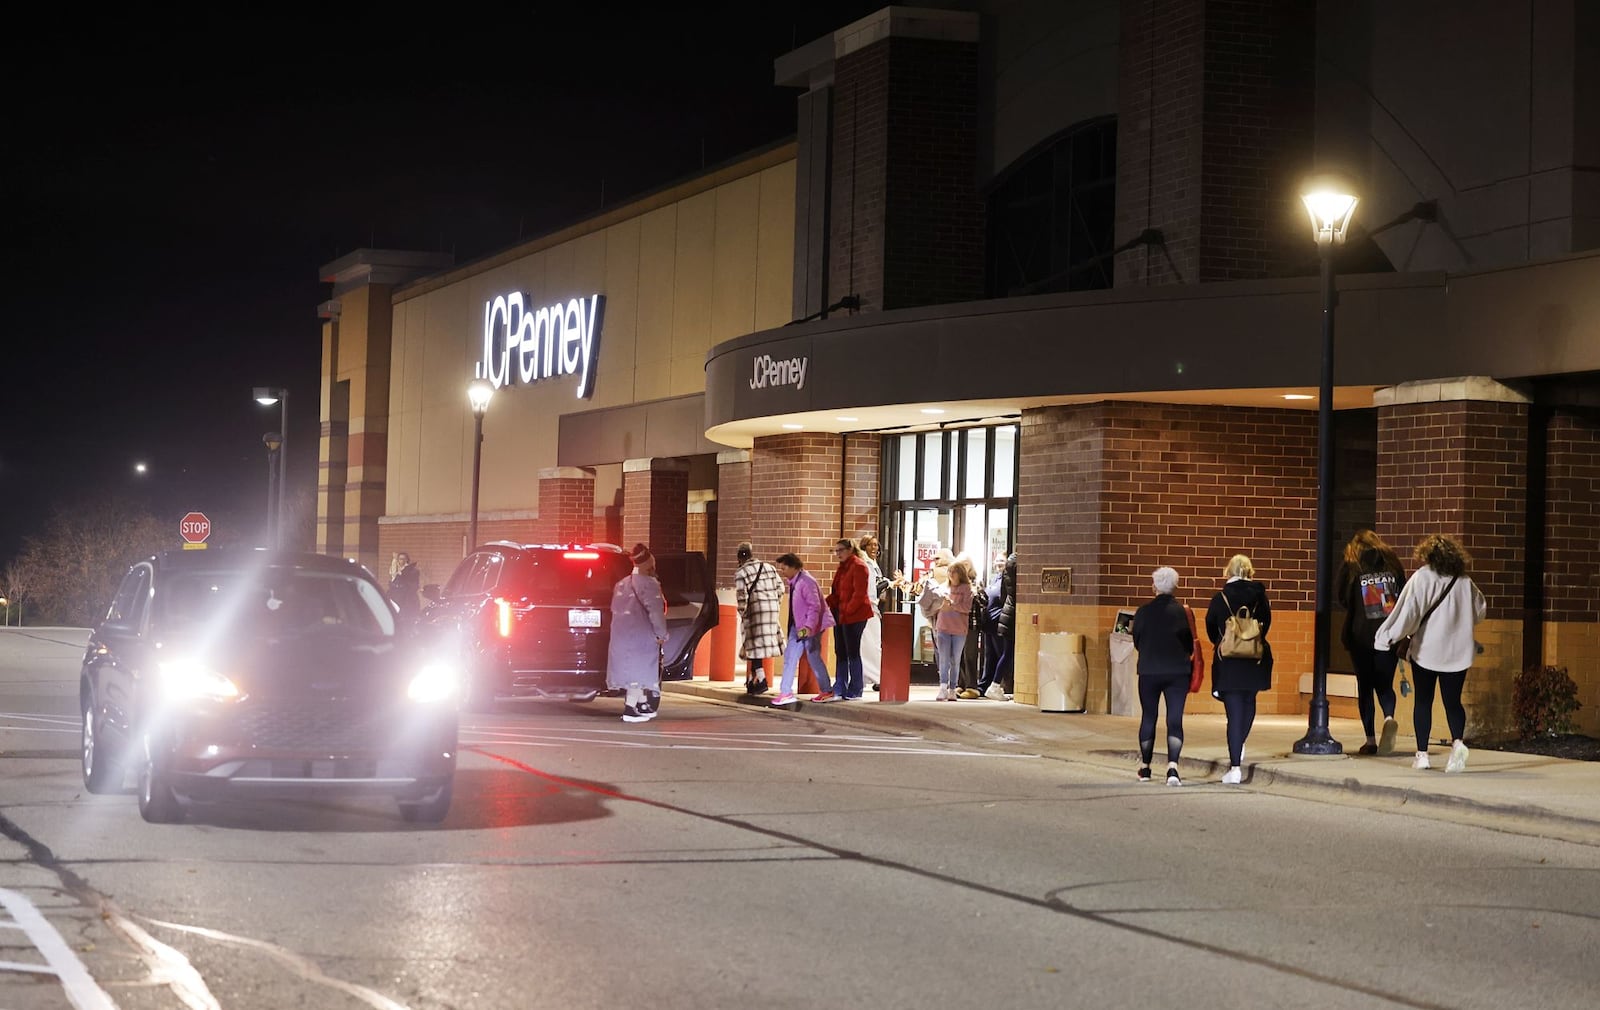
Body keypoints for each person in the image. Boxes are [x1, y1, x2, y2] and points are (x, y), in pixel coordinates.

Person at [1373, 534, 1487, 773]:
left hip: (1427, 651)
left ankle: (1422, 755)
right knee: (1453, 702)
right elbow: (1480, 610)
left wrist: (1386, 638)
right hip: (1458, 652)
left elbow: (1407, 613)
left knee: (1423, 702)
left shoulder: (1422, 578)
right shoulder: (1464, 581)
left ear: (1428, 555)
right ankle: (1457, 744)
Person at [1336, 530, 1406, 755]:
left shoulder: (1352, 564)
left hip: (1361, 635)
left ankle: (1370, 740)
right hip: (1390, 634)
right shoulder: (1393, 564)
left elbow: (1342, 597)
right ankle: (1389, 717)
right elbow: (1404, 595)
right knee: (1385, 685)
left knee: (1365, 687)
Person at [1206, 554, 1274, 785]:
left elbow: (1210, 627)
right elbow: (1267, 623)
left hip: (1229, 663)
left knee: (1233, 714)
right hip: (1254, 659)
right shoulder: (1259, 596)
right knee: (1249, 703)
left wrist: (1224, 640)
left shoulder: (1220, 598)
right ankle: (1241, 742)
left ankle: (1235, 766)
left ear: (1229, 571)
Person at [1131, 566, 1194, 785]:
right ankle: (1173, 769)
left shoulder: (1143, 612)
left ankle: (1146, 768)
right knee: (1174, 719)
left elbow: (1136, 640)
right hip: (1178, 672)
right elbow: (1189, 643)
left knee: (1149, 717)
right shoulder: (1182, 612)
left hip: (1149, 670)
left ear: (1153, 587)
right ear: (1175, 586)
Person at [607, 543, 669, 723]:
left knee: (631, 670)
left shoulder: (621, 584)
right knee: (639, 672)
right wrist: (661, 634)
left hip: (621, 635)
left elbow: (615, 609)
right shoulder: (649, 585)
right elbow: (656, 612)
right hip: (641, 636)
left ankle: (641, 703)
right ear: (649, 566)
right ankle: (631, 708)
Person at [772, 552, 836, 706]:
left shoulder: (806, 582)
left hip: (808, 626)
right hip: (801, 626)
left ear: (794, 567)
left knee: (809, 656)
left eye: (784, 568)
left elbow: (815, 606)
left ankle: (824, 690)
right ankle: (787, 691)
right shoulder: (796, 581)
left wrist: (808, 627)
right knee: (792, 656)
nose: (783, 572)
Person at [825, 538, 874, 701]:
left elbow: (859, 594)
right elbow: (837, 592)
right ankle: (840, 684)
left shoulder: (859, 566)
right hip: (841, 614)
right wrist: (828, 604)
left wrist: (847, 611)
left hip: (855, 615)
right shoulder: (842, 568)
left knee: (852, 651)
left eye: (840, 550)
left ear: (850, 550)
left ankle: (856, 688)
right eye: (835, 551)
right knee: (840, 651)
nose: (837, 554)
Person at [733, 542, 783, 695]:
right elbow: (780, 588)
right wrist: (775, 604)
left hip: (755, 609)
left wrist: (743, 612)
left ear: (739, 558)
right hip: (772, 608)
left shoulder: (741, 573)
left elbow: (742, 597)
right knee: (758, 646)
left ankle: (760, 679)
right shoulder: (769, 568)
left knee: (753, 645)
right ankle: (753, 678)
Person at [934, 562, 973, 701]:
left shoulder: (966, 588)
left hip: (959, 629)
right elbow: (935, 605)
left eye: (954, 572)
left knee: (955, 660)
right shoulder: (943, 587)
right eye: (949, 572)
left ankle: (952, 688)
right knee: (943, 659)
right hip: (943, 627)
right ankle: (943, 687)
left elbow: (967, 607)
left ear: (960, 573)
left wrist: (953, 605)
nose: (951, 575)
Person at [858, 535, 888, 692]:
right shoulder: (866, 564)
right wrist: (888, 583)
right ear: (864, 546)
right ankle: (875, 677)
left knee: (873, 643)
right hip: (869, 607)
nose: (874, 548)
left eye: (876, 545)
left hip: (874, 606)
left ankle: (867, 676)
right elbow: (872, 587)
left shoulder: (873, 564)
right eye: (871, 545)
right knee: (870, 644)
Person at [388, 552, 421, 621]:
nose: (401, 561)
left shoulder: (414, 571)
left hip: (407, 600)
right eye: (400, 559)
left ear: (407, 560)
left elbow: (415, 585)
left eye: (403, 559)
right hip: (395, 598)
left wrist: (404, 578)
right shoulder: (395, 571)